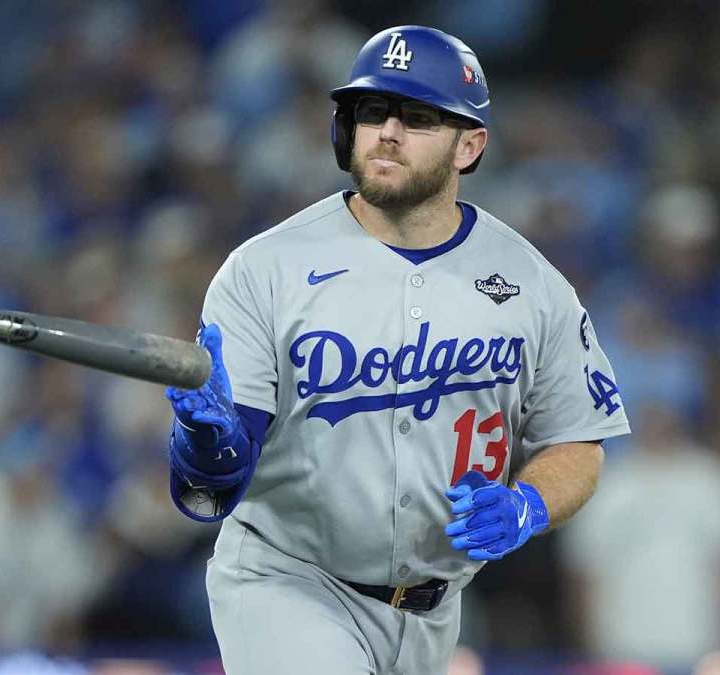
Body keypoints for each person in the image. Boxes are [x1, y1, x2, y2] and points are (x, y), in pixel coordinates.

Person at [163, 25, 631, 674]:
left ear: (470, 145)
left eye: (417, 117)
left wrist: (529, 503)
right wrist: (205, 441)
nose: (387, 131)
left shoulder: (531, 283)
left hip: (436, 612)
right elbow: (215, 482)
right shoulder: (265, 270)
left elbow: (577, 441)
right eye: (372, 110)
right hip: (289, 582)